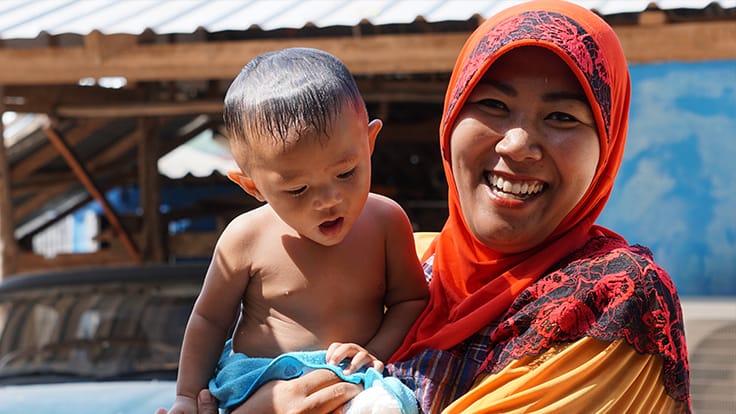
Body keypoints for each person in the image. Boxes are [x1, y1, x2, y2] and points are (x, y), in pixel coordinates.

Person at [194, 1, 692, 413]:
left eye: (561, 116)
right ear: (452, 114)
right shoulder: (412, 259)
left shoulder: (612, 300)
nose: (517, 144)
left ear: (607, 144)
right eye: (493, 106)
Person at [158, 47, 429, 414]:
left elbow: (410, 301)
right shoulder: (245, 237)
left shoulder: (386, 221)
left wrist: (375, 352)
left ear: (369, 143)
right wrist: (187, 396)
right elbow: (209, 319)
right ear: (252, 187)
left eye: (346, 172)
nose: (329, 200)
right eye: (298, 189)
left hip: (353, 379)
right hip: (259, 382)